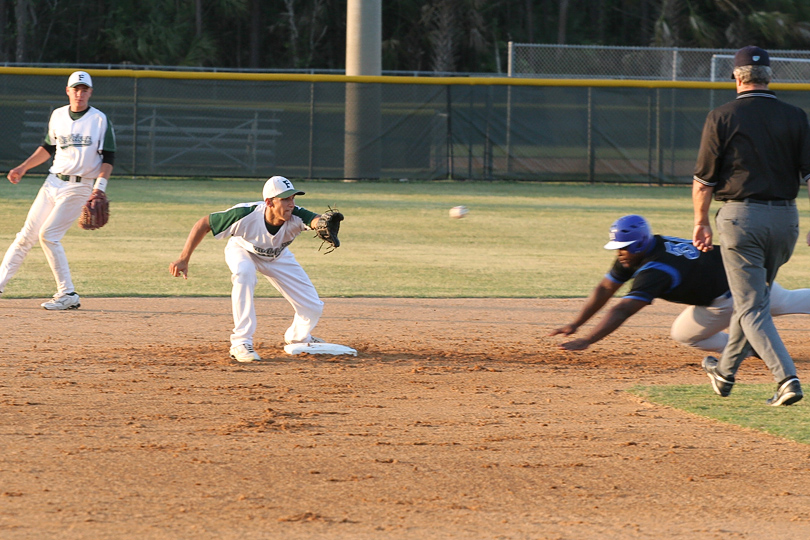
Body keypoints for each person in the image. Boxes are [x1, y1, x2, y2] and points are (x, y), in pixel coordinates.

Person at [692, 45, 810, 406]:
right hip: (786, 220)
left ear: (736, 78)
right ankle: (725, 374)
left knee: (751, 307)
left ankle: (786, 379)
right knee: (753, 301)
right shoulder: (796, 116)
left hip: (742, 220)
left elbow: (703, 182)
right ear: (769, 76)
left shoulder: (722, 116)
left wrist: (700, 222)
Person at [550, 214, 810, 356]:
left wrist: (589, 339)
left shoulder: (655, 270)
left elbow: (621, 310)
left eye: (623, 248)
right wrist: (576, 323)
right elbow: (606, 288)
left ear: (639, 244)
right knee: (787, 301)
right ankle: (747, 344)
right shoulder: (643, 250)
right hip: (747, 273)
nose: (620, 253)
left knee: (685, 335)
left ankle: (744, 348)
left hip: (727, 298)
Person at [169, 176, 328, 363]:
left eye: (292, 198)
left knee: (313, 306)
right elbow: (204, 223)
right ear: (269, 202)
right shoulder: (245, 213)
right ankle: (241, 342)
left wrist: (324, 223)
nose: (291, 204)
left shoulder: (296, 214)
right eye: (285, 199)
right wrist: (184, 258)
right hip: (244, 250)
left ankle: (299, 338)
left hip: (278, 256)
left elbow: (315, 220)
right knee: (244, 273)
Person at [0, 70, 116, 310]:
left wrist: (99, 189)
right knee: (25, 237)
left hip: (81, 186)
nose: (80, 93)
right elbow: (48, 147)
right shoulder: (58, 116)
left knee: (49, 235)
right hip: (53, 182)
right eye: (76, 89)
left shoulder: (99, 120)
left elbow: (109, 158)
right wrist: (22, 168)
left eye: (85, 90)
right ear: (68, 91)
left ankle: (68, 293)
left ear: (90, 93)